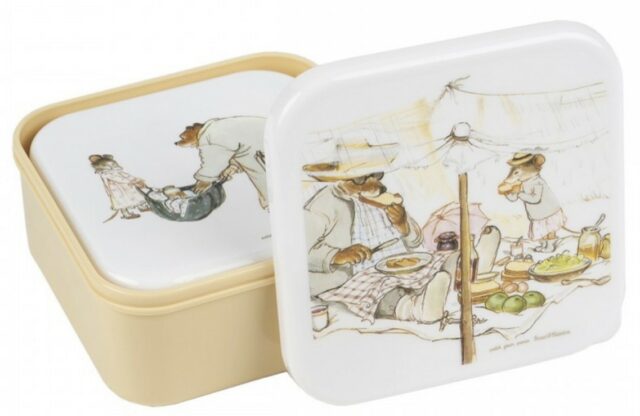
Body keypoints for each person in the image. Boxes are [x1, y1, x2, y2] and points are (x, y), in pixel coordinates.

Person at [175, 116, 269, 210]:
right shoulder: (217, 128)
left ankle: (271, 205)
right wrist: (233, 167)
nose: (194, 147)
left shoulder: (209, 135)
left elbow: (212, 162)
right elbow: (241, 149)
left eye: (192, 145)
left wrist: (205, 180)